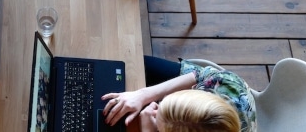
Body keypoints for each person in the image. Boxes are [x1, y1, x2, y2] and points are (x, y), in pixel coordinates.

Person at [102, 57, 257, 132]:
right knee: (135, 62)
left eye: (156, 119)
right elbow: (198, 75)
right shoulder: (226, 83)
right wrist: (144, 94)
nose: (151, 111)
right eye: (161, 105)